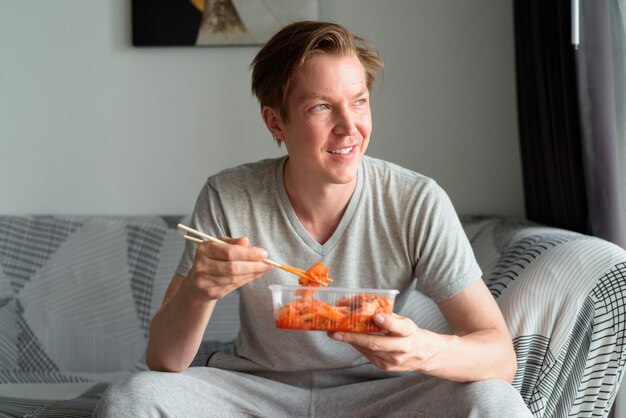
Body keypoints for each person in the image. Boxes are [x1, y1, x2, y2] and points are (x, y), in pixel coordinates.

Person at [95, 21, 532, 417]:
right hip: (255, 393)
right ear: (276, 122)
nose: (349, 127)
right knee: (132, 398)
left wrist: (421, 350)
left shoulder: (416, 200)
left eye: (358, 101)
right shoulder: (229, 195)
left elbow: (499, 356)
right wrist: (198, 290)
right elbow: (165, 362)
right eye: (321, 107)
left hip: (380, 397)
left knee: (494, 401)